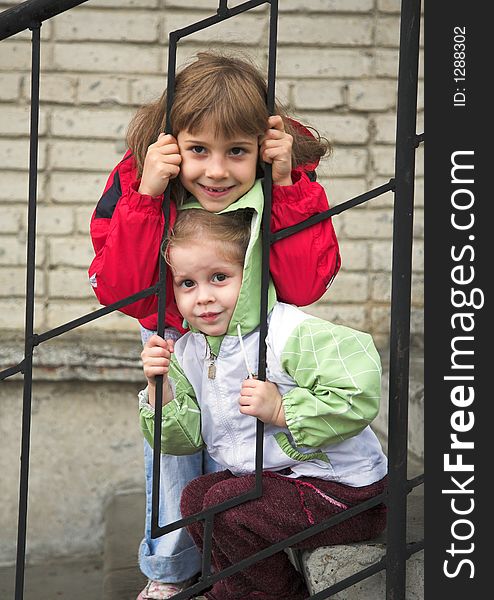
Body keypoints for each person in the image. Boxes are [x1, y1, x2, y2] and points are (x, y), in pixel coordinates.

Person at [88, 51, 341, 599]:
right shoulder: (138, 176)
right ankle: (171, 571)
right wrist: (148, 196)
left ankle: (242, 556)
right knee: (177, 449)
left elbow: (304, 284)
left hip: (254, 337)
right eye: (199, 150)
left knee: (247, 442)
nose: (218, 171)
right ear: (172, 141)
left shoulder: (285, 175)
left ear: (261, 145)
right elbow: (122, 291)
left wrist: (288, 184)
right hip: (174, 331)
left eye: (237, 152)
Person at [139, 205, 388, 600]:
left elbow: (357, 387)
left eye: (219, 278)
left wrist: (282, 409)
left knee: (224, 503)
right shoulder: (188, 351)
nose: (203, 297)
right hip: (276, 483)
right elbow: (182, 441)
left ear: (250, 274)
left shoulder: (285, 332)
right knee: (195, 497)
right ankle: (234, 589)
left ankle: (274, 595)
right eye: (187, 283)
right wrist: (160, 386)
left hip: (343, 491)